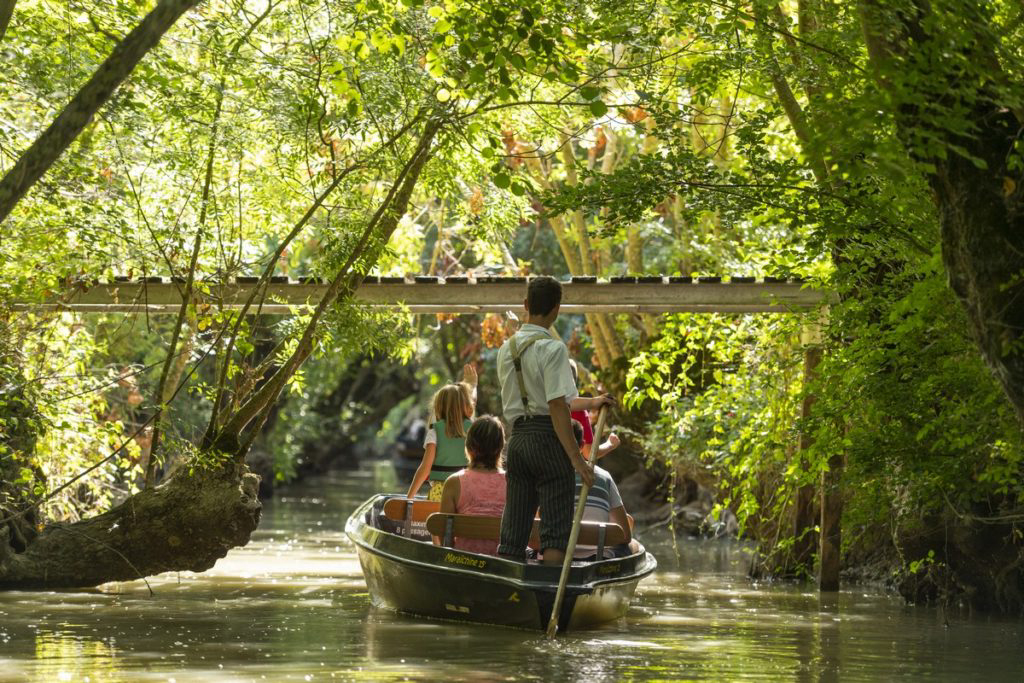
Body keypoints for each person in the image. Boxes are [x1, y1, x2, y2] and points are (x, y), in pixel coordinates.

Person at [495, 276, 614, 565]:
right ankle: (549, 594)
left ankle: (509, 590)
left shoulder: (505, 350)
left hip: (519, 441)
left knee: (514, 528)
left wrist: (594, 402)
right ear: (557, 309)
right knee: (555, 530)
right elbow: (557, 406)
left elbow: (561, 399)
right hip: (549, 441)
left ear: (526, 305)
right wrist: (577, 460)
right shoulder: (554, 349)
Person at [406, 364, 477, 501]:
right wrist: (473, 386)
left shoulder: (435, 432)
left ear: (439, 407)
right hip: (467, 491)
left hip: (441, 493)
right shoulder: (473, 430)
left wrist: (409, 498)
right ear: (466, 405)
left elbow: (425, 469)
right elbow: (473, 402)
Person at [439, 415, 507, 555]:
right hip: (502, 562)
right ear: (500, 447)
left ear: (469, 446)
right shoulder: (512, 482)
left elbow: (443, 534)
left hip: (463, 560)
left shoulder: (454, 482)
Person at [570, 420, 633, 559]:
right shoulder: (604, 477)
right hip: (599, 558)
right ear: (582, 446)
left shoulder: (547, 477)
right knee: (630, 546)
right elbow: (626, 535)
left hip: (556, 557)